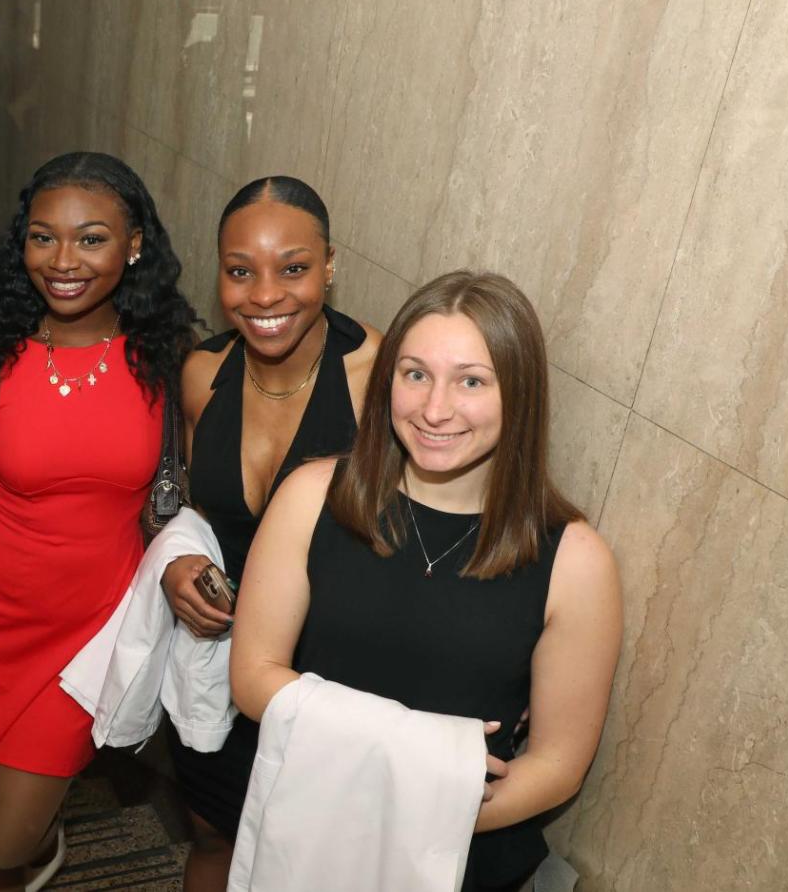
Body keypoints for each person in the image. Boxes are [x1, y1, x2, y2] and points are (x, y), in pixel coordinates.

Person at [229, 271, 622, 891]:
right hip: (310, 832)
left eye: (471, 381)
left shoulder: (575, 561)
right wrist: (392, 793)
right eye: (415, 374)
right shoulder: (313, 497)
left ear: (518, 396)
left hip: (461, 855)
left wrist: (414, 815)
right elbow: (253, 675)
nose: (435, 409)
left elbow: (558, 764)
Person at [0, 151, 199, 890]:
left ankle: (36, 848)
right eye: (43, 237)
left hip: (90, 636)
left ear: (134, 243)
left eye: (91, 238)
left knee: (1, 839)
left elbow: (203, 496)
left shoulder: (168, 361)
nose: (63, 260)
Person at [159, 176, 379, 891]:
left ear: (330, 266)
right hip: (220, 662)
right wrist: (176, 567)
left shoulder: (380, 376)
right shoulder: (202, 375)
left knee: (306, 862)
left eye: (294, 268)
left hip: (331, 677)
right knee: (214, 837)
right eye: (239, 271)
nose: (265, 296)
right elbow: (184, 510)